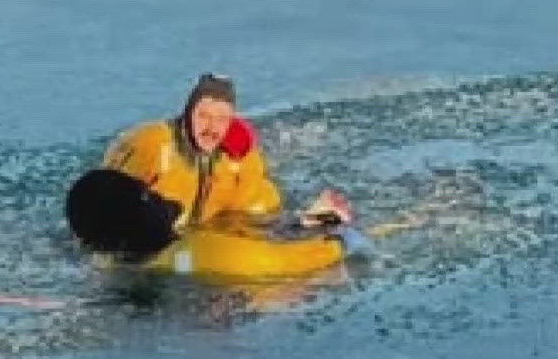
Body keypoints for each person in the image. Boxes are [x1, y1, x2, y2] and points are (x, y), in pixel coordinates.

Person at [67, 73, 365, 269]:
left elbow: (251, 228)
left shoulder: (239, 162)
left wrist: (310, 224)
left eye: (222, 119)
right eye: (203, 116)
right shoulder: (150, 147)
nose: (211, 128)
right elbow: (102, 207)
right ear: (187, 114)